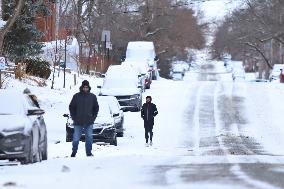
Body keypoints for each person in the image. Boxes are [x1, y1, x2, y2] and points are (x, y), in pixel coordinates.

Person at [69, 80, 99, 157]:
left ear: (89, 88)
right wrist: (74, 117)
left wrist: (93, 117)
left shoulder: (92, 97)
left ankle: (88, 153)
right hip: (78, 121)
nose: (85, 89)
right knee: (76, 138)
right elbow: (71, 107)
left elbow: (96, 108)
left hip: (89, 121)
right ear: (82, 87)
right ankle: (74, 152)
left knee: (89, 137)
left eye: (87, 87)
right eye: (84, 87)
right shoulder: (76, 96)